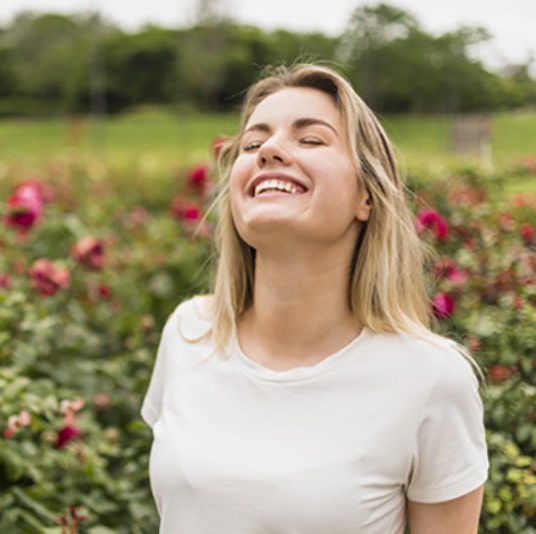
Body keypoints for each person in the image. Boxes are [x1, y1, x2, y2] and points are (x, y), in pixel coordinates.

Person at [141, 63, 488, 534]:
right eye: (252, 143)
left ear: (366, 194)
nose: (269, 151)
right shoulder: (188, 334)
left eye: (310, 139)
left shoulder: (431, 378)